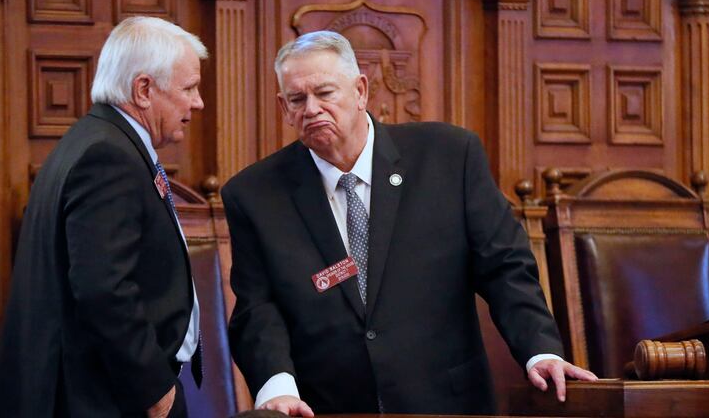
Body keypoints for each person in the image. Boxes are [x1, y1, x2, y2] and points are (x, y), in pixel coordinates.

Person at [221, 31, 597, 416]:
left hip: (445, 403)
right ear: (284, 109)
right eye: (298, 100)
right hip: (327, 406)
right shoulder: (254, 195)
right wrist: (277, 387)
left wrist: (540, 351)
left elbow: (506, 268)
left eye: (325, 93)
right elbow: (257, 307)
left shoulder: (449, 157)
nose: (312, 109)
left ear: (361, 91)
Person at [0, 16, 207, 417]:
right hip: (107, 398)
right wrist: (156, 392)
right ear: (144, 89)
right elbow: (103, 290)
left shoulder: (97, 140)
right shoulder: (108, 157)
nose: (198, 102)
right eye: (189, 88)